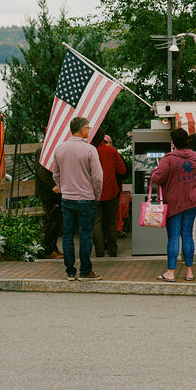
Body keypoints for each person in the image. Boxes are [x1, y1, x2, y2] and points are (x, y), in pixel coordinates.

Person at [151, 128, 196, 282]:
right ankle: (189, 272)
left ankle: (170, 272)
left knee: (174, 236)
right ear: (187, 140)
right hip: (192, 200)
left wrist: (153, 172)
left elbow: (158, 178)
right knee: (187, 235)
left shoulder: (168, 158)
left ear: (173, 142)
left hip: (174, 201)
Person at [52, 117, 103, 281]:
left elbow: (56, 174)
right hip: (86, 197)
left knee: (67, 235)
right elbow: (98, 177)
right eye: (88, 127)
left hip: (67, 197)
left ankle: (70, 271)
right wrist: (96, 194)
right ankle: (85, 270)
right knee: (84, 235)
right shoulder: (89, 150)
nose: (89, 130)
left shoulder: (60, 149)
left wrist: (62, 187)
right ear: (82, 130)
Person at [91, 128, 127, 257]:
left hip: (93, 192)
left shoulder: (89, 152)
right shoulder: (111, 151)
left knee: (96, 222)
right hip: (111, 191)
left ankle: (99, 251)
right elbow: (122, 170)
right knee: (111, 222)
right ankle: (112, 250)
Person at [34, 149, 63, 259]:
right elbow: (41, 172)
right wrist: (53, 186)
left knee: (56, 221)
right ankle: (48, 250)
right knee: (51, 221)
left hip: (54, 192)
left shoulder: (50, 150)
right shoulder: (43, 151)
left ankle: (53, 247)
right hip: (48, 192)